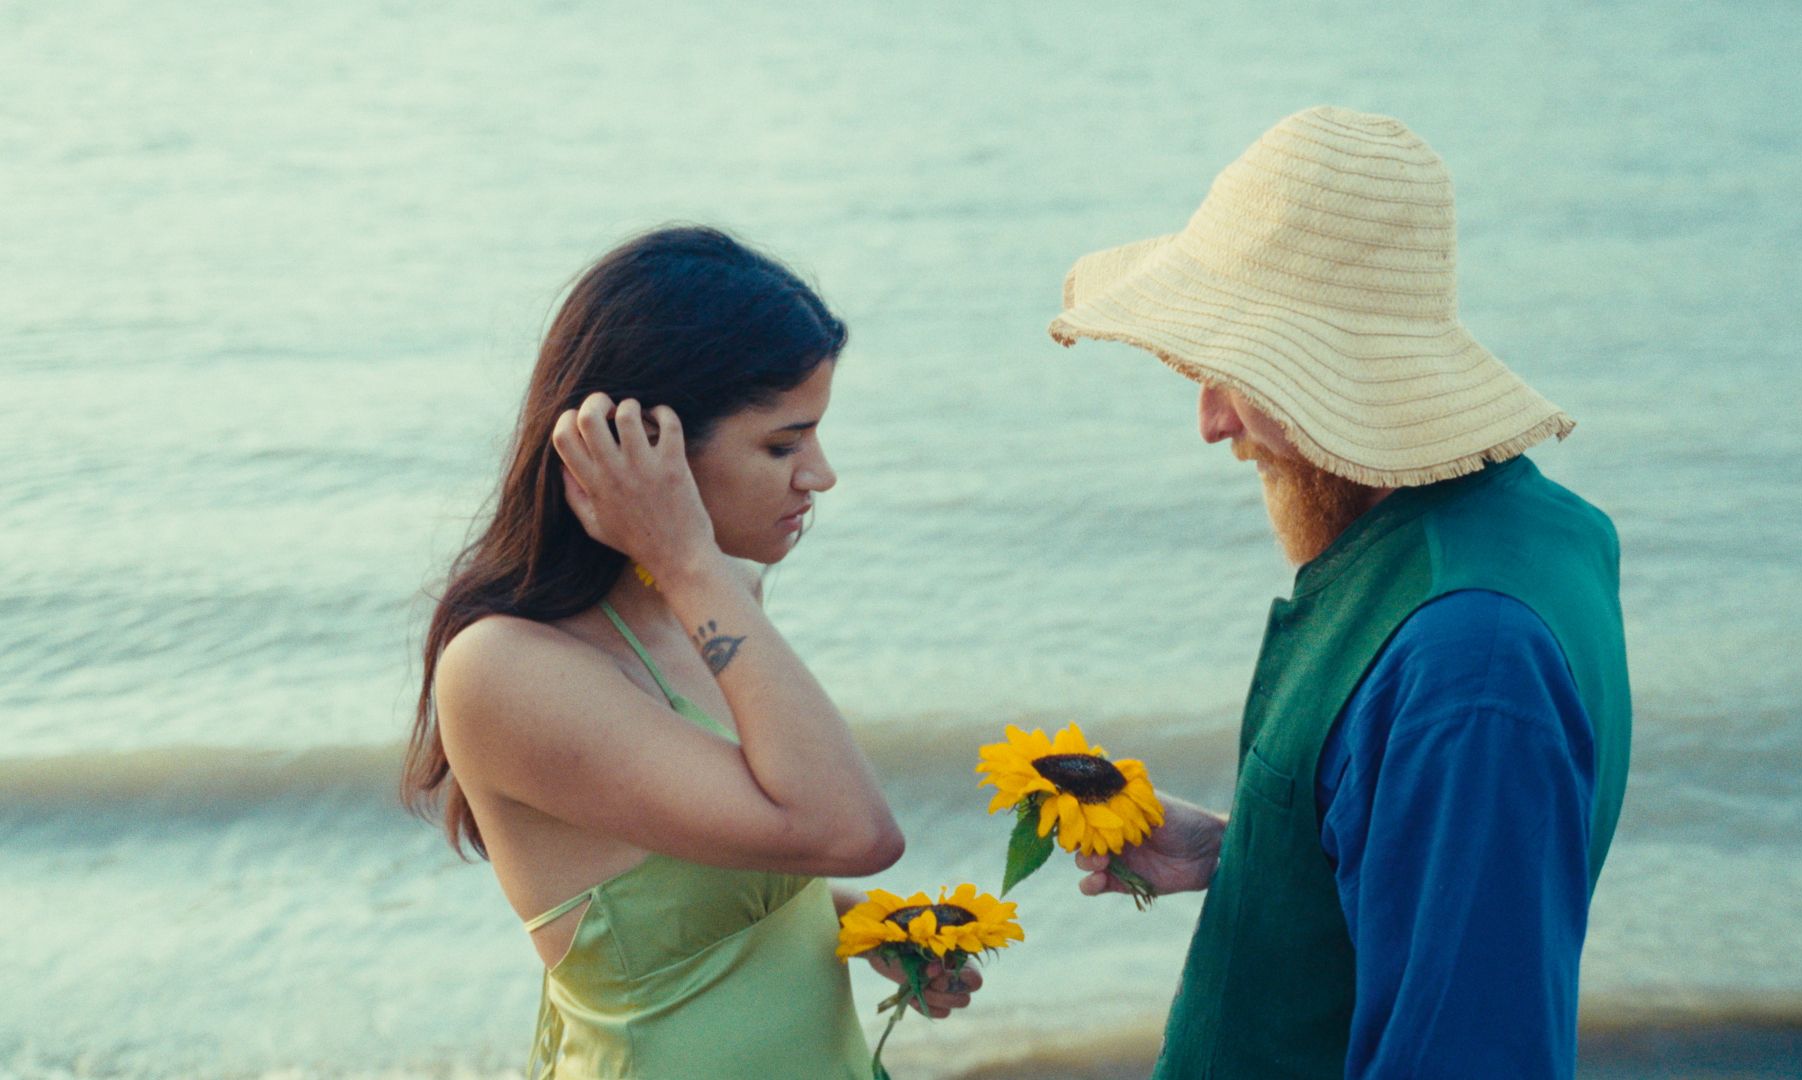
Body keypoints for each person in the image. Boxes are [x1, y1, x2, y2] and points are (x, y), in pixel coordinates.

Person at [1050, 107, 1632, 1078]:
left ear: (1337, 381)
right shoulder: (1528, 532)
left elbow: (1470, 1051)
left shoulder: (1470, 661)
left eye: (1234, 373)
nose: (1209, 421)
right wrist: (1254, 854)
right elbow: (1437, 873)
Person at [404, 226, 981, 1078]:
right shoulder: (505, 668)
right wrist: (686, 559)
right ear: (645, 445)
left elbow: (717, 885)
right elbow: (852, 829)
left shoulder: (713, 604)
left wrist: (861, 924)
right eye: (783, 444)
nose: (820, 475)